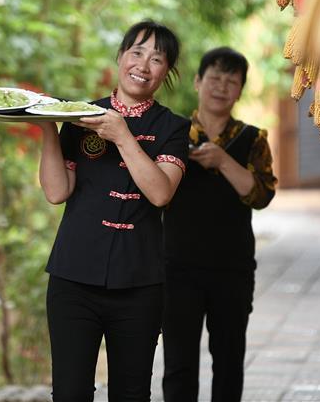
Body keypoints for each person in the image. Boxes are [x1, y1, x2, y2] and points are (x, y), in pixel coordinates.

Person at [37, 20, 191, 401]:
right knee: (70, 393)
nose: (144, 64)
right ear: (121, 57)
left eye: (157, 59)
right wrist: (45, 127)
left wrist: (123, 135)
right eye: (136, 52)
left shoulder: (174, 128)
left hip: (139, 283)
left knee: (131, 393)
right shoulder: (79, 116)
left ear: (166, 73)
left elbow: (160, 194)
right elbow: (57, 192)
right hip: (73, 279)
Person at [161, 47, 277, 402]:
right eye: (214, 78)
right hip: (176, 268)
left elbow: (261, 196)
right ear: (197, 82)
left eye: (231, 81)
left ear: (240, 91)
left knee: (228, 361)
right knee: (178, 365)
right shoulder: (172, 133)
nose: (221, 87)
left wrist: (224, 161)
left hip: (232, 269)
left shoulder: (253, 139)